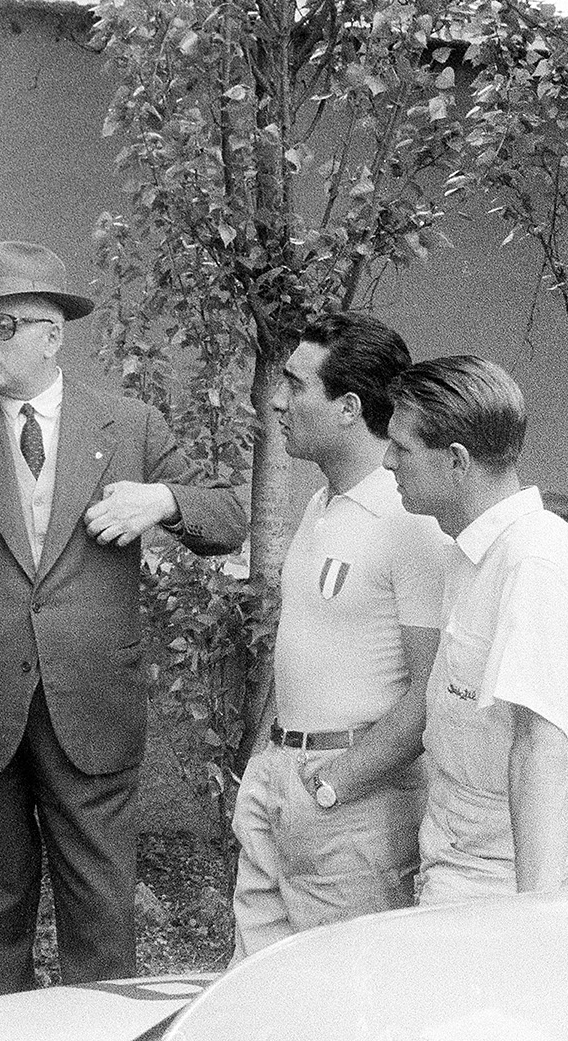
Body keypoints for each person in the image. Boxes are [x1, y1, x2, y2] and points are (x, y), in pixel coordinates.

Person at [0, 240, 247, 1001]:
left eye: (3, 326)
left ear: (53, 333)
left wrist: (162, 503)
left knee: (100, 922)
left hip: (89, 710)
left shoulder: (131, 425)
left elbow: (226, 514)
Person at [230, 313, 454, 959]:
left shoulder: (407, 516)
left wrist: (334, 786)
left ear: (349, 408)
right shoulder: (319, 504)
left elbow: (429, 687)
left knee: (343, 1005)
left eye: (296, 386)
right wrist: (265, 768)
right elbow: (299, 649)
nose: (278, 400)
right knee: (253, 1003)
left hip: (351, 808)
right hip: (280, 788)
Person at [380, 355, 568, 903]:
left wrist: (534, 915)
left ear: (457, 461)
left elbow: (542, 745)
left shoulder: (533, 561)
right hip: (463, 848)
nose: (387, 462)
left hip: (507, 871)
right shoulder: (473, 549)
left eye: (403, 448)